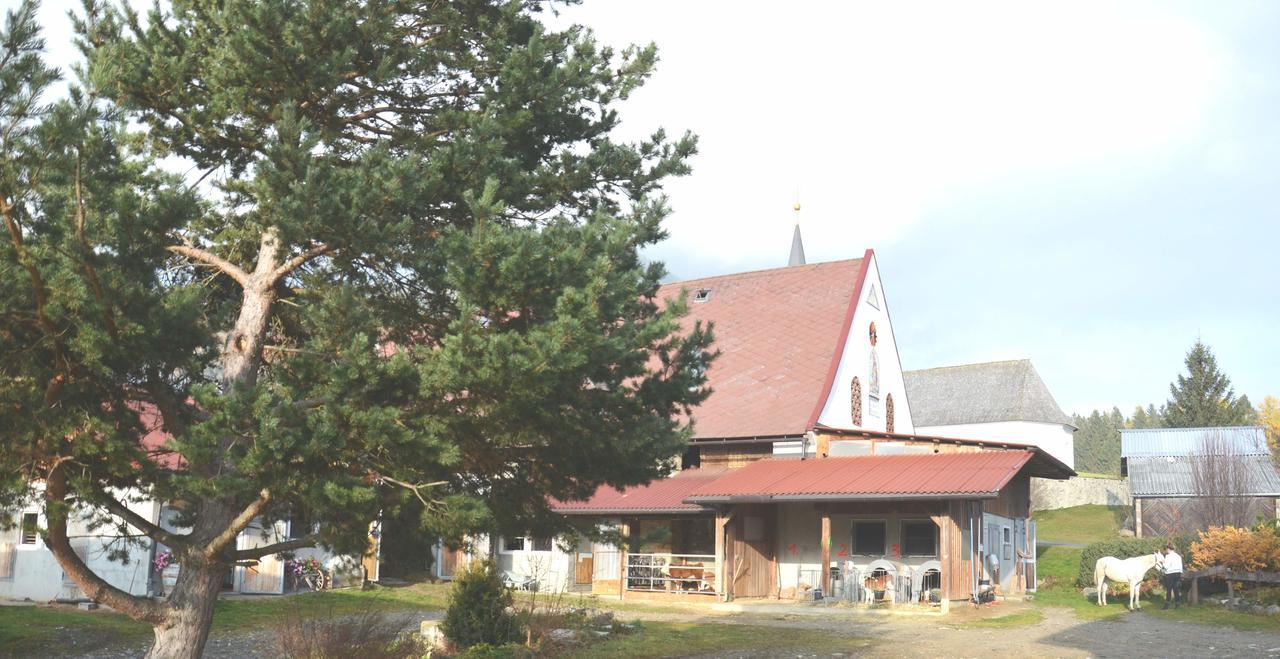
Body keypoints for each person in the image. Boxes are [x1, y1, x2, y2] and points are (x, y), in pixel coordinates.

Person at [1161, 543, 1183, 609]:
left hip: (1170, 574)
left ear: (1168, 549)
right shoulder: (1178, 556)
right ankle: (1178, 604)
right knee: (1176, 589)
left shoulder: (1168, 556)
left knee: (1169, 589)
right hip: (1178, 573)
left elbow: (1166, 566)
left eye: (1167, 549)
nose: (1166, 550)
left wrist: (1162, 562)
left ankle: (1167, 605)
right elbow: (1180, 566)